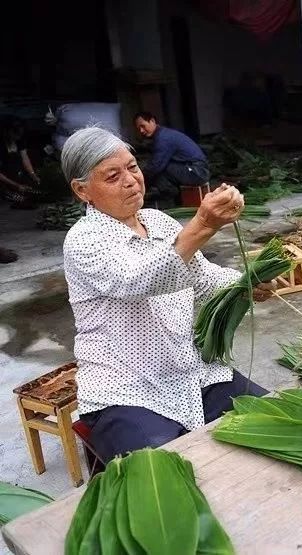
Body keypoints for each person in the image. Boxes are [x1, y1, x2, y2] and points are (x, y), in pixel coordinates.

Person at [61, 127, 273, 462]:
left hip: (192, 371)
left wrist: (244, 284)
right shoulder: (84, 240)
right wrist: (202, 224)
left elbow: (202, 279)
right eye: (113, 176)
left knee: (277, 421)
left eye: (133, 167)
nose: (131, 180)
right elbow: (138, 280)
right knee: (163, 472)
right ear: (82, 190)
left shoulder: (159, 222)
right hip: (126, 388)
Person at [133, 112, 210, 208]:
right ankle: (172, 196)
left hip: (197, 172)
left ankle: (169, 198)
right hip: (193, 168)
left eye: (143, 126)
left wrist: (139, 184)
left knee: (159, 170)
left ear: (152, 121)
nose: (141, 130)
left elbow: (155, 167)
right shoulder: (163, 134)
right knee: (159, 168)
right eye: (139, 128)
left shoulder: (163, 138)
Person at [0, 116, 41, 209]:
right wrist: (16, 185)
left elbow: (25, 158)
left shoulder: (19, 141)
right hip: (3, 177)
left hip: (16, 173)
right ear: (7, 131)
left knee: (31, 189)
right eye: (15, 133)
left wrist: (33, 175)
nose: (18, 136)